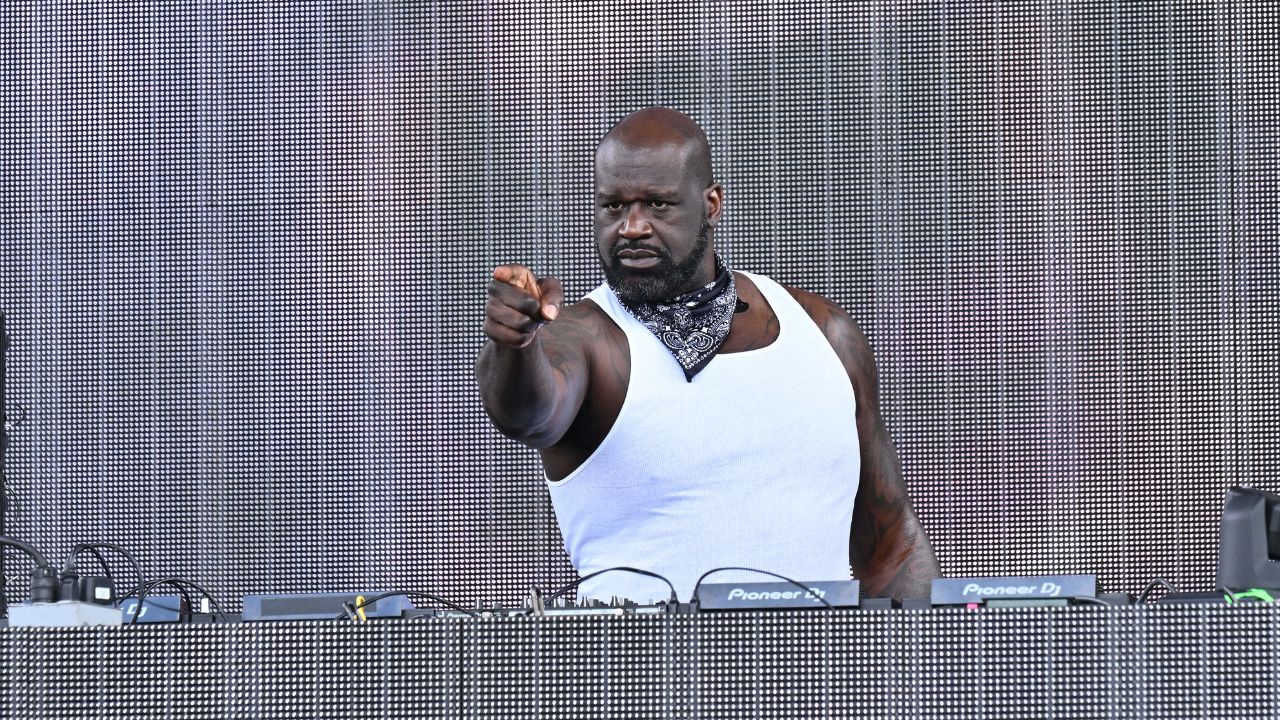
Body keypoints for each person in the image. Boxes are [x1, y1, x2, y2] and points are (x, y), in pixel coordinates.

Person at [475, 107, 939, 603]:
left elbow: (892, 547)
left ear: (712, 204)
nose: (632, 227)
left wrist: (925, 646)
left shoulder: (824, 333)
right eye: (613, 207)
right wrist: (515, 345)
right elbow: (527, 414)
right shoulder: (583, 336)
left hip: (815, 655)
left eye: (658, 204)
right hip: (638, 656)